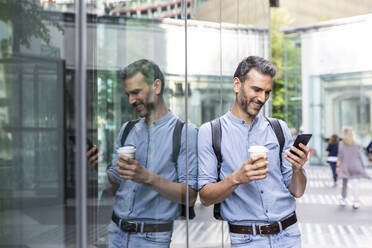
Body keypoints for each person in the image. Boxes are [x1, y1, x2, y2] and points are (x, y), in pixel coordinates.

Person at [198, 56, 309, 248]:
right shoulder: (211, 132)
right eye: (256, 89)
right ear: (237, 85)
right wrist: (237, 178)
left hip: (289, 235)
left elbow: (298, 191)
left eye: (267, 92)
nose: (262, 98)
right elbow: (206, 197)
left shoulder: (278, 128)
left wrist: (298, 168)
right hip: (246, 240)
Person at [89, 59, 198, 248]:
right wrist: (99, 166)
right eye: (128, 94)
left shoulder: (184, 132)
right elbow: (115, 185)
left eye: (136, 92)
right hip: (115, 232)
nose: (131, 100)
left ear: (156, 86)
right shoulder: (127, 129)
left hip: (152, 238)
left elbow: (189, 195)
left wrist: (147, 177)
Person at [336, 126, 370, 209]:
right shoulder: (357, 143)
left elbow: (340, 157)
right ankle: (355, 202)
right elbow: (361, 153)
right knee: (356, 184)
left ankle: (343, 199)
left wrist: (337, 167)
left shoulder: (341, 144)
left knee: (344, 184)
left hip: (345, 166)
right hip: (355, 165)